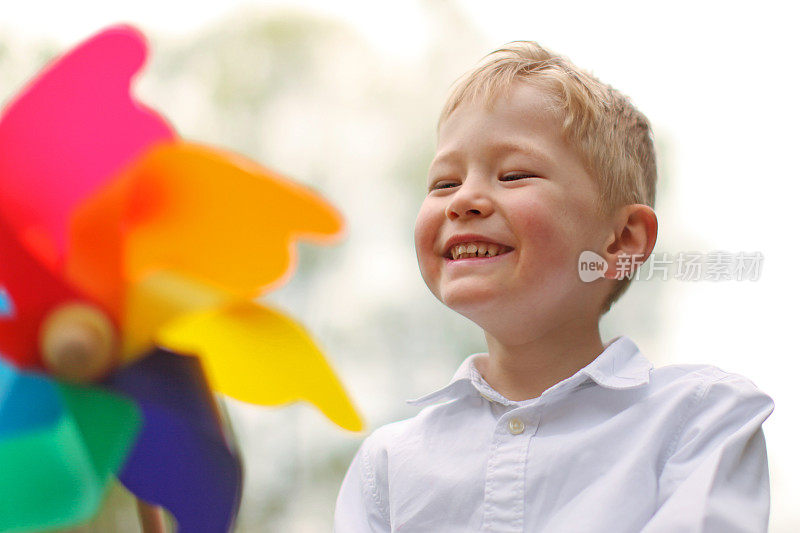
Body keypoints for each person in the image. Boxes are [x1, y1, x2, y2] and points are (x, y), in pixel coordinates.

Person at [333, 41, 774, 532]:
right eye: (442, 183)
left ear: (621, 240)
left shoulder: (698, 419)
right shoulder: (388, 465)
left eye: (515, 174)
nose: (464, 200)